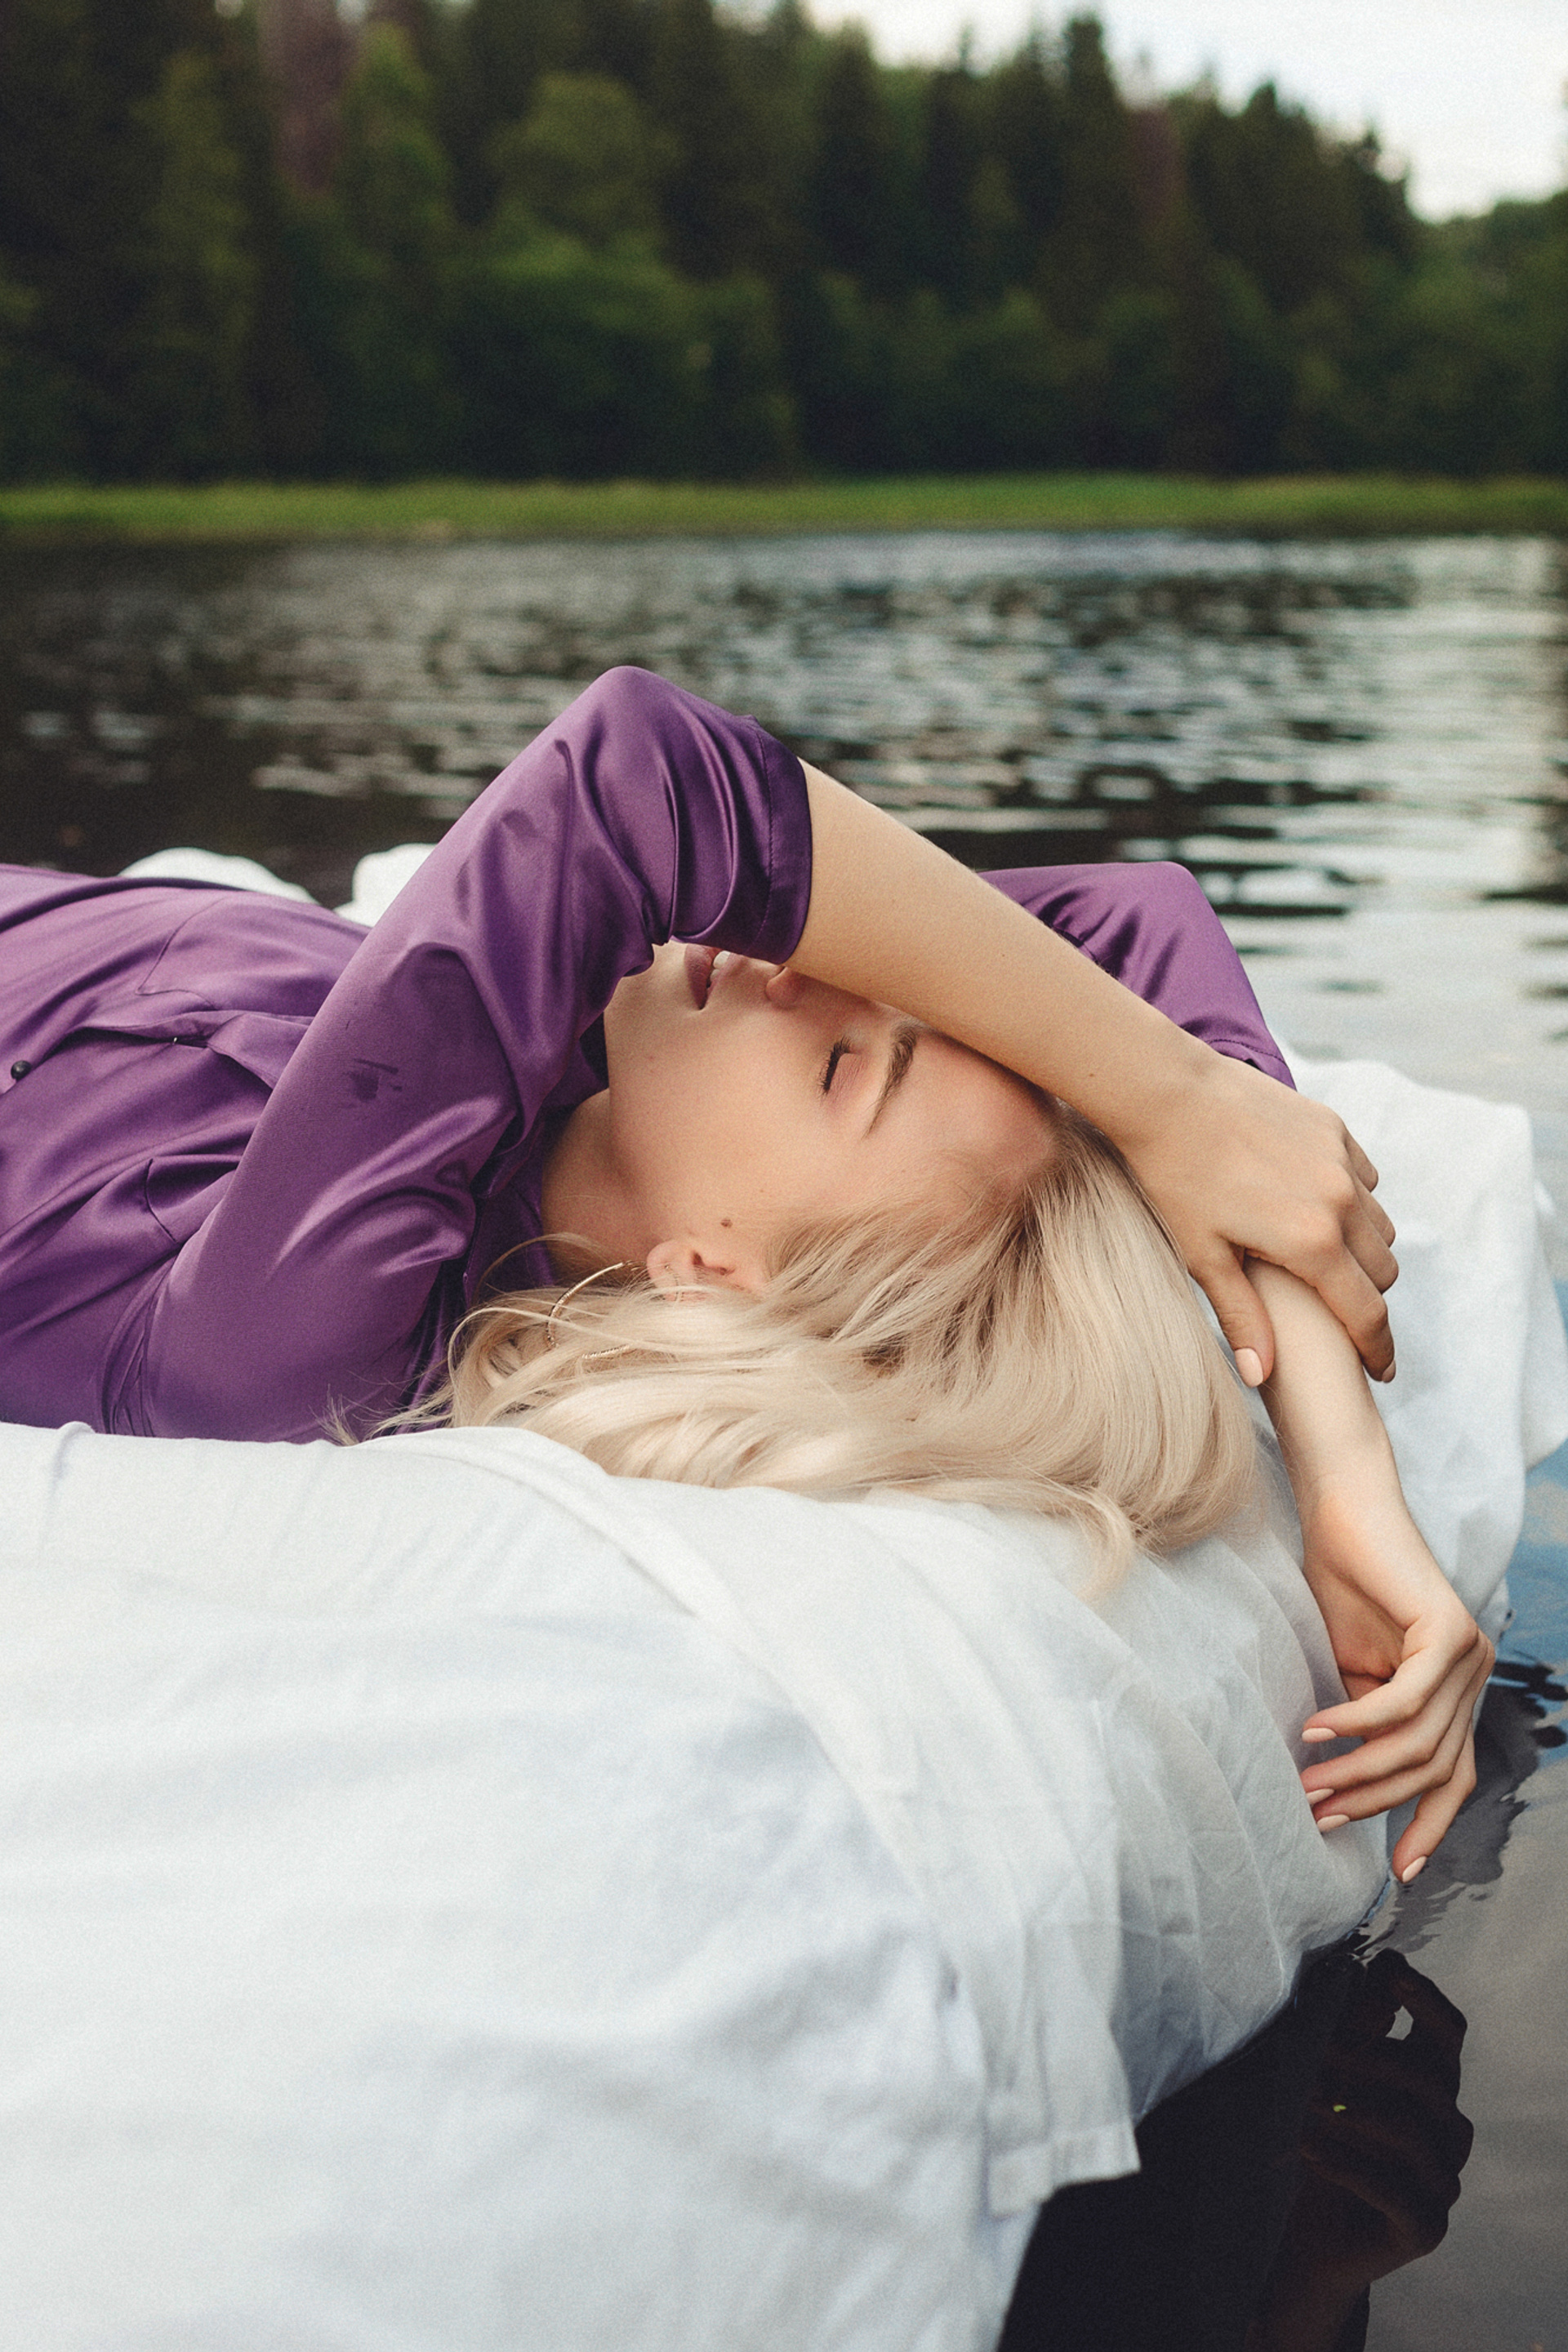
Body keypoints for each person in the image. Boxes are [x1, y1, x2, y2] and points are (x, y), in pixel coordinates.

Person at [0, 666, 1489, 1875]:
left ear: (715, 1274)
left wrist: (1169, 1107)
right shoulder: (564, 1060)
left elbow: (632, 776)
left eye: (845, 1062)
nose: (806, 964)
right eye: (890, 1000)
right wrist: (1345, 1467)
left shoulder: (295, 1336)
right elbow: (1125, 925)